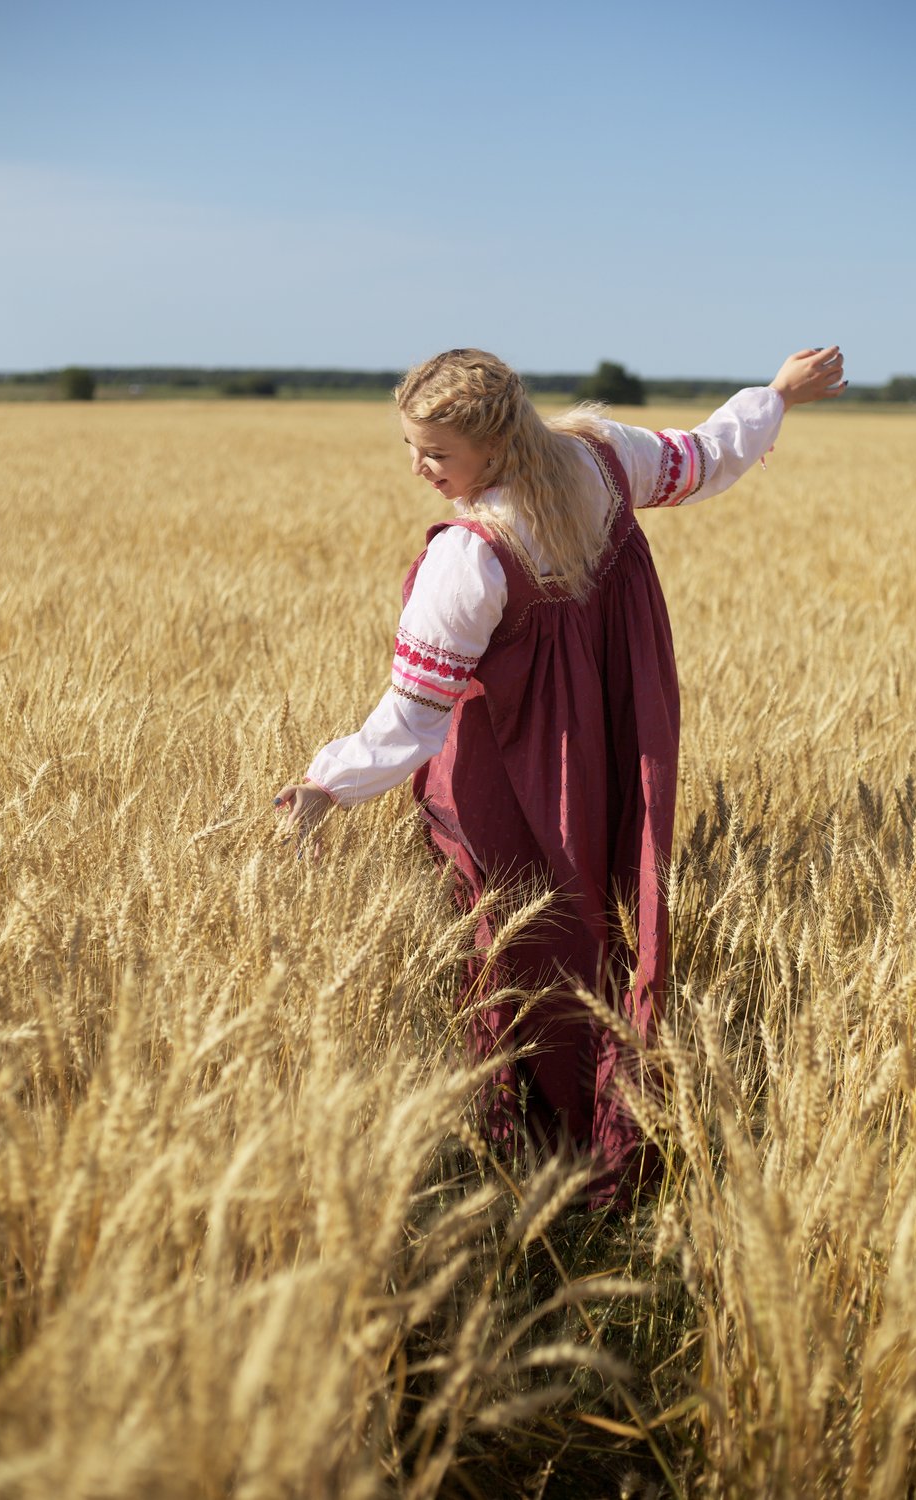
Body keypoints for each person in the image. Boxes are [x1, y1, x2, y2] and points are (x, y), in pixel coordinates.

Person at [274, 345, 846, 1200]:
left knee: (510, 931)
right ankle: (602, 1120)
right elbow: (704, 456)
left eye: (436, 452)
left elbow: (413, 715)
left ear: (497, 445)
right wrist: (776, 397)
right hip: (615, 732)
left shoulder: (469, 556)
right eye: (411, 448)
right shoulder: (604, 457)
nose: (419, 468)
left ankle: (525, 1139)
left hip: (507, 763)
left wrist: (327, 783)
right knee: (603, 905)